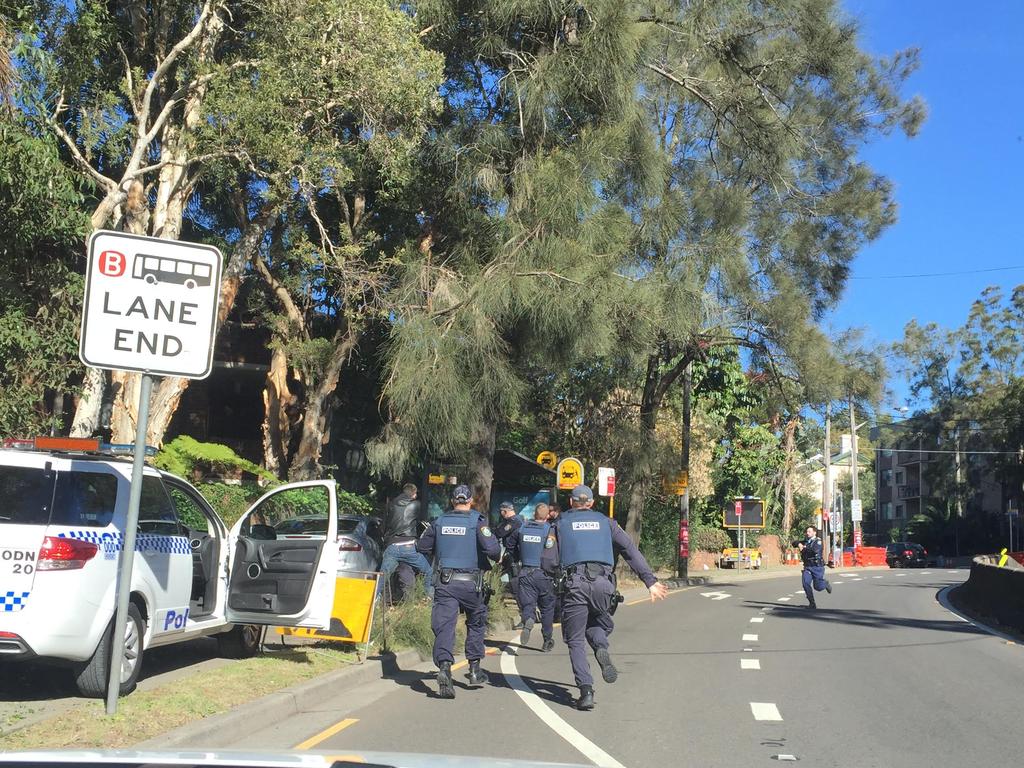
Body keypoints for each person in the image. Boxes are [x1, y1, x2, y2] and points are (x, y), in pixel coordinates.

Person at [555, 484, 668, 711]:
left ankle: (586, 691)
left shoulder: (560, 523)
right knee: (598, 622)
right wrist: (650, 581)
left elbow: (548, 560)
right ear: (592, 503)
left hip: (575, 584)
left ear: (571, 502)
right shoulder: (608, 523)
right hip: (604, 585)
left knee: (575, 639)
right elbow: (630, 550)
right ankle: (600, 645)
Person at [416, 484, 500, 699]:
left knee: (445, 627)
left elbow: (422, 546)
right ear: (470, 501)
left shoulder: (439, 521)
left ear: (453, 501)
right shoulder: (477, 521)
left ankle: (444, 668)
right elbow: (493, 550)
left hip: (445, 583)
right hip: (472, 584)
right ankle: (474, 669)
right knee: (476, 623)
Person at [512, 502, 557, 652]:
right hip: (544, 574)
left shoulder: (522, 528)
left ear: (534, 515)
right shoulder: (549, 531)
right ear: (548, 516)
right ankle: (547, 640)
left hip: (525, 572)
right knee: (547, 608)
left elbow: (511, 545)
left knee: (528, 605)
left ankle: (529, 619)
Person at [380, 483, 433, 601]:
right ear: (413, 493)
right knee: (428, 571)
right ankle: (427, 597)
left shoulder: (390, 505)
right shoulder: (416, 505)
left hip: (392, 545)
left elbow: (383, 527)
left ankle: (376, 601)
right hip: (409, 546)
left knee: (383, 576)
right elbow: (423, 522)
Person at [794, 525, 832, 609]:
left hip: (817, 567)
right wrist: (799, 544)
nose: (807, 533)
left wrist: (803, 548)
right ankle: (812, 603)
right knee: (805, 583)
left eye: (809, 531)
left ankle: (825, 584)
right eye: (807, 532)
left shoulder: (818, 541)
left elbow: (814, 550)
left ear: (814, 532)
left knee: (818, 587)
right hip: (807, 566)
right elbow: (794, 543)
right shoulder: (806, 541)